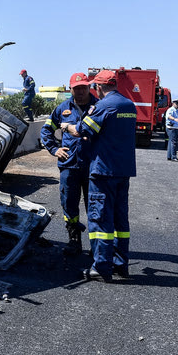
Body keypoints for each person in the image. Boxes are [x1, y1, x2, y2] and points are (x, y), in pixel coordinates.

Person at [61, 70, 137, 282]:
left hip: (103, 172)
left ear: (100, 87)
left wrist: (67, 126)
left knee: (100, 219)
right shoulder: (129, 106)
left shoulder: (103, 106)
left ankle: (101, 267)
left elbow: (83, 131)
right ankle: (121, 265)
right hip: (123, 172)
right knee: (120, 220)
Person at [40, 72, 97, 255]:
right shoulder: (62, 109)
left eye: (84, 88)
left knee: (95, 207)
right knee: (69, 204)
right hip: (69, 167)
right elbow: (47, 130)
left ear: (89, 88)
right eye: (76, 88)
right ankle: (74, 241)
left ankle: (97, 247)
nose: (80, 92)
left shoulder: (100, 107)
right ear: (70, 89)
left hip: (94, 167)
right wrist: (54, 149)